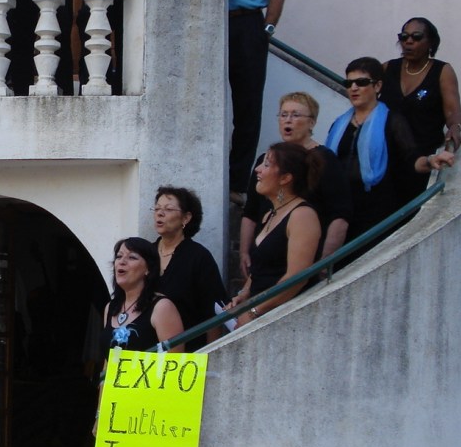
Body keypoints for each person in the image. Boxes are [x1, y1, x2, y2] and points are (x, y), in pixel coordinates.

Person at [193, 0, 289, 200]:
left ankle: (236, 184)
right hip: (207, 25)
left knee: (247, 107)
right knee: (202, 104)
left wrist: (268, 29)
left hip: (247, 24)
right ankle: (203, 174)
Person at [324, 57, 455, 244]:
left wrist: (430, 161)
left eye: (361, 82)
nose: (353, 88)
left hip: (375, 207)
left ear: (377, 86)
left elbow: (412, 158)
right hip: (341, 205)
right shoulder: (339, 123)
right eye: (348, 83)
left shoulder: (393, 121)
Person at [240, 92, 351, 276]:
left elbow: (340, 215)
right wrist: (244, 252)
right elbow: (251, 211)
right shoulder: (264, 161)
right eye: (283, 114)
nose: (288, 120)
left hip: (306, 254)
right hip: (266, 255)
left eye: (295, 115)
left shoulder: (324, 160)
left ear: (312, 122)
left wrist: (325, 261)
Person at [228, 143, 323, 327]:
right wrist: (245, 294)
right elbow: (262, 266)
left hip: (282, 320)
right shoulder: (270, 214)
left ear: (285, 178)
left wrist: (254, 311)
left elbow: (296, 278)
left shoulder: (302, 216)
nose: (257, 169)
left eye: (266, 164)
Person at [379, 17, 461, 191]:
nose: (408, 41)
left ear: (430, 42)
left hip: (424, 159)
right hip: (386, 157)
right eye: (404, 37)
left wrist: (455, 127)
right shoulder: (387, 68)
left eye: (416, 37)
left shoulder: (442, 71)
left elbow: (453, 112)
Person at [151, 186, 227, 349]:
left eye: (168, 209)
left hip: (189, 351)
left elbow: (213, 312)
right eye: (157, 209)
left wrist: (211, 353)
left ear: (186, 218)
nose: (159, 213)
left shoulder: (199, 257)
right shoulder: (145, 254)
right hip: (145, 352)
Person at [100, 237, 184, 358]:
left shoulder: (162, 307)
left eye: (132, 257)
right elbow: (107, 362)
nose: (122, 262)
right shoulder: (110, 307)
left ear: (148, 269)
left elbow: (175, 361)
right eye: (119, 256)